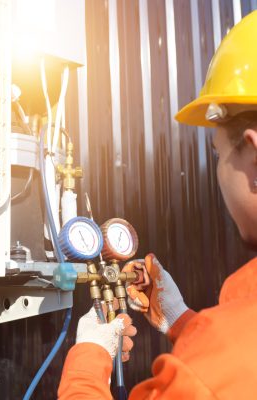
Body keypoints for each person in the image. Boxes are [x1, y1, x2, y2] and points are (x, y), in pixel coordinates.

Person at [58, 10, 257, 400]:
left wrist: (89, 355)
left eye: (217, 154)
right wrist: (183, 321)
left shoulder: (220, 366)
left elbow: (223, 371)